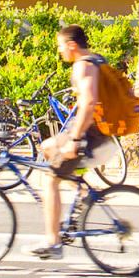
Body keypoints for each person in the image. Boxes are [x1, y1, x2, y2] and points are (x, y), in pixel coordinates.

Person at [30, 24, 110, 259]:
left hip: (91, 136)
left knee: (50, 180)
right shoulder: (97, 60)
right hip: (99, 133)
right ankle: (82, 191)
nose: (60, 51)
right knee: (47, 147)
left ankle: (53, 243)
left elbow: (89, 103)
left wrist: (74, 139)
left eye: (60, 47)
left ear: (72, 45)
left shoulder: (82, 66)